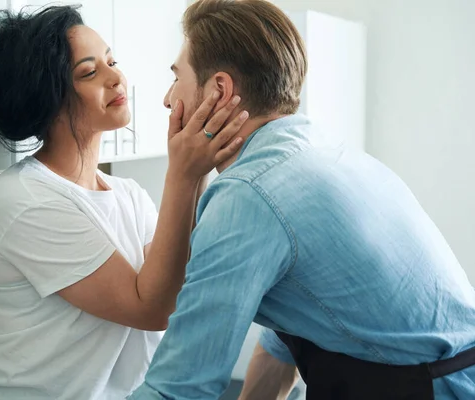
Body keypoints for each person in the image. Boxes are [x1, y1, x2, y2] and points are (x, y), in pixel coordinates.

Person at [128, 0, 475, 399]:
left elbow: (178, 389)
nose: (168, 100)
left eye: (176, 78)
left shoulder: (248, 195)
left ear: (219, 91)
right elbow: (290, 338)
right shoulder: (322, 150)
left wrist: (184, 174)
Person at [0, 5, 248, 400]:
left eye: (112, 61)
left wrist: (197, 166)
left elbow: (179, 286)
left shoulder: (127, 194)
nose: (117, 78)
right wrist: (183, 172)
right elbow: (151, 309)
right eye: (90, 72)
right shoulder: (25, 198)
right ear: (49, 99)